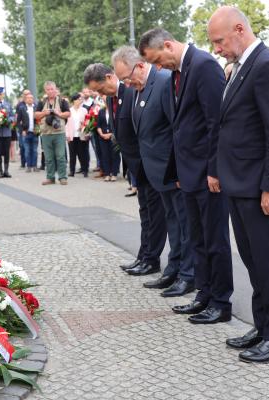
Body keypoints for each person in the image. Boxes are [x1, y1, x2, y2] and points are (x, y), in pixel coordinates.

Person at [208, 6, 269, 363]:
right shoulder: (243, 67)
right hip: (240, 185)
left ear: (239, 29)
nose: (217, 49)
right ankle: (262, 327)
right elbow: (230, 126)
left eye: (219, 41)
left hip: (260, 188)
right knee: (253, 262)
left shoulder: (267, 65)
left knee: (268, 263)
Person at [139, 28, 234, 324]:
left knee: (215, 240)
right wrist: (178, 171)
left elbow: (216, 122)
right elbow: (181, 126)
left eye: (158, 60)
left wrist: (214, 170)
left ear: (168, 45)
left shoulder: (204, 65)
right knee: (198, 238)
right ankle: (203, 294)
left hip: (208, 175)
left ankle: (220, 302)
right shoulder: (179, 72)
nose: (159, 67)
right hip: (188, 173)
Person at [112, 46, 195, 297]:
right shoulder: (138, 88)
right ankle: (173, 268)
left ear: (139, 65)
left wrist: (179, 170)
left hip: (171, 169)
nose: (126, 84)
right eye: (123, 80)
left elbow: (176, 129)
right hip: (156, 171)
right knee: (172, 222)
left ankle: (188, 274)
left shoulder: (162, 81)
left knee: (184, 225)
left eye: (127, 78)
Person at [84, 62, 167, 283]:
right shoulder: (112, 97)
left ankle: (152, 258)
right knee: (145, 212)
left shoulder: (131, 91)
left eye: (101, 89)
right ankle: (144, 255)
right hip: (134, 165)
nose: (101, 94)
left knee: (154, 214)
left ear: (110, 77)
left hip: (147, 162)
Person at [35, 81, 70, 185]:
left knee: (60, 156)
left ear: (55, 89)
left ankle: (63, 177)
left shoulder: (62, 101)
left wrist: (58, 113)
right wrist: (44, 113)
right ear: (45, 91)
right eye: (48, 89)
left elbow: (68, 114)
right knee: (48, 157)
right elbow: (35, 115)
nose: (50, 91)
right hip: (46, 133)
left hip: (59, 133)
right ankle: (50, 177)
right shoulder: (41, 102)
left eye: (52, 89)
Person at [0, 88, 14, 178]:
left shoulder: (8, 104)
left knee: (6, 152)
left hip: (7, 131)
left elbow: (12, 115)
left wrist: (9, 120)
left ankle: (6, 171)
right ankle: (0, 171)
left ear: (3, 94)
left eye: (1, 94)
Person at [96, 97, 121, 181]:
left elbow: (118, 126)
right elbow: (98, 125)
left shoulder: (115, 112)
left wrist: (110, 134)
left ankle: (114, 173)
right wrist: (102, 134)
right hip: (102, 137)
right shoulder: (101, 111)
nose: (107, 103)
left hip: (113, 137)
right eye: (106, 102)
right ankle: (107, 173)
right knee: (105, 155)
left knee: (114, 155)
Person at [66, 93, 89, 177]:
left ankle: (85, 170)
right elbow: (66, 124)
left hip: (81, 134)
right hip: (72, 135)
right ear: (74, 100)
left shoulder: (84, 110)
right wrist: (67, 135)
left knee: (83, 153)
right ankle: (72, 171)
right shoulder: (69, 110)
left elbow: (88, 122)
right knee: (72, 154)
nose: (80, 100)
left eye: (81, 99)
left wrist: (84, 127)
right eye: (79, 99)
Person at [17, 92, 40, 172]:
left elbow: (39, 120)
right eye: (28, 98)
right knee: (27, 150)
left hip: (35, 132)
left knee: (34, 150)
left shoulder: (36, 108)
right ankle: (28, 166)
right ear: (25, 100)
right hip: (26, 132)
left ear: (33, 100)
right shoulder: (22, 108)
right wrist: (22, 130)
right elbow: (18, 121)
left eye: (31, 98)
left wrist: (38, 129)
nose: (30, 99)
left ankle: (34, 166)